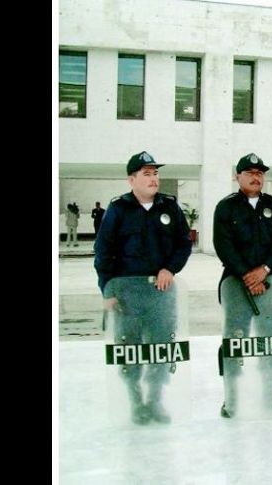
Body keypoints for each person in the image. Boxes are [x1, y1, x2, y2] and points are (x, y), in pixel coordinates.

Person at [94, 151, 192, 424]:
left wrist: (170, 268)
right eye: (147, 174)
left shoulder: (169, 206)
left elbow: (183, 243)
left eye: (156, 173)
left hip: (161, 293)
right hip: (128, 296)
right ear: (132, 180)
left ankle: (155, 401)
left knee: (161, 348)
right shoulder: (118, 209)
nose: (153, 179)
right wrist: (107, 291)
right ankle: (136, 402)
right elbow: (103, 252)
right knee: (131, 349)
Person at [213, 153, 272, 417]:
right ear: (238, 177)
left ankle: (271, 393)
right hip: (236, 282)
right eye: (250, 173)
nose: (256, 177)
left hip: (269, 281)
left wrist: (265, 270)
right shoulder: (226, 207)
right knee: (235, 340)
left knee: (270, 338)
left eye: (260, 173)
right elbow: (223, 245)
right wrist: (248, 275)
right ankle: (231, 397)